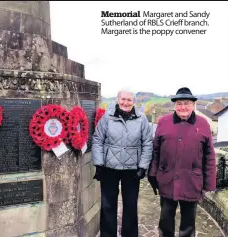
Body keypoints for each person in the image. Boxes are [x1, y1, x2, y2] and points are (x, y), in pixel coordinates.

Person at [148, 87, 216, 237]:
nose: (183, 107)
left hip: (192, 182)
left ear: (193, 105)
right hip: (167, 181)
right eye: (179, 103)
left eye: (187, 103)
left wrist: (208, 184)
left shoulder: (203, 124)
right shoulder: (163, 122)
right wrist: (153, 176)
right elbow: (156, 151)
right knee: (165, 221)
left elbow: (209, 156)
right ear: (174, 105)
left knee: (188, 225)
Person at [92, 88, 153, 237]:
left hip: (132, 169)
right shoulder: (107, 117)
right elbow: (98, 140)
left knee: (131, 205)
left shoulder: (142, 119)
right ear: (117, 100)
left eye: (129, 100)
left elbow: (147, 143)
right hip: (109, 167)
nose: (126, 102)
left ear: (134, 102)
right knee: (108, 205)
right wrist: (99, 164)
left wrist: (143, 167)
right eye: (123, 99)